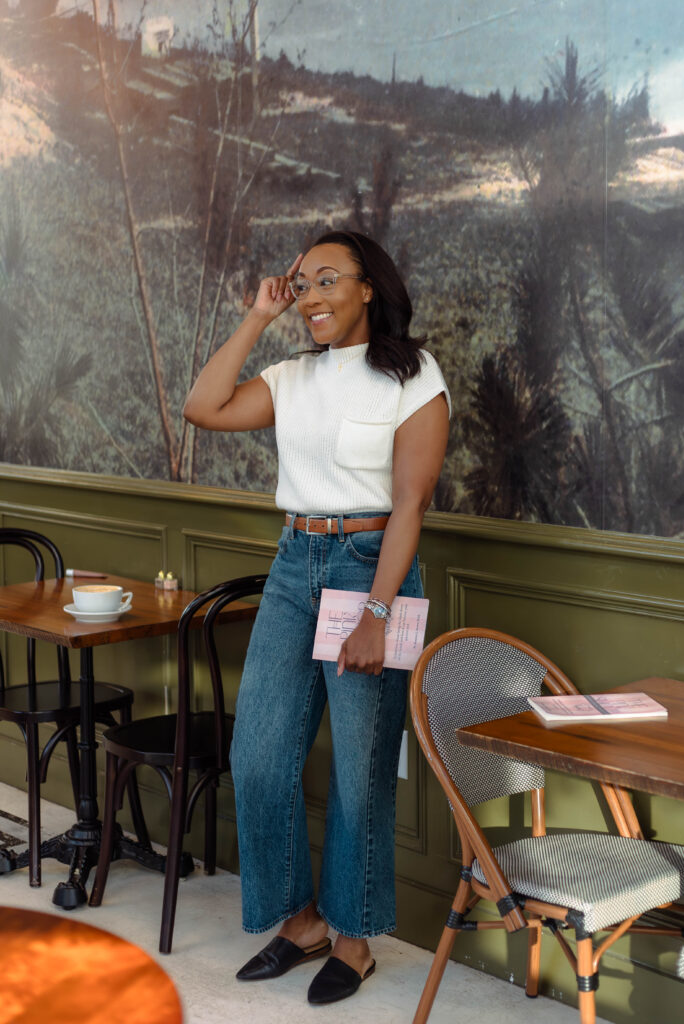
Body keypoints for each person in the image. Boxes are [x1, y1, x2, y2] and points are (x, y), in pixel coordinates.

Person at [183, 230, 450, 1005]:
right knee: (260, 755)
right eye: (299, 284)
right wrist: (258, 317)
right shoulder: (289, 375)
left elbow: (411, 501)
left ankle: (355, 938)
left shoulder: (413, 374)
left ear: (369, 287)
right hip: (295, 567)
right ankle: (300, 922)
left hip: (372, 568)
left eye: (325, 280)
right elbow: (204, 407)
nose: (309, 296)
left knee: (359, 770)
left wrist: (377, 609)